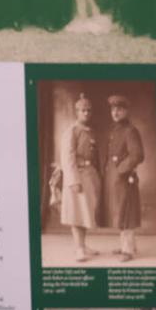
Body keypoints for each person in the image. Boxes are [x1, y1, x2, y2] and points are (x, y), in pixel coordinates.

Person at [58, 93, 101, 263]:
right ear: (76, 112)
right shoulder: (72, 131)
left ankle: (83, 244)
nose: (86, 113)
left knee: (85, 212)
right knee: (77, 213)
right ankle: (78, 249)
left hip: (89, 175)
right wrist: (73, 180)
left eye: (89, 110)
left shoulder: (89, 131)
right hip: (77, 176)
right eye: (83, 110)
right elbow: (67, 158)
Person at [103, 95, 145, 262]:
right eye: (113, 109)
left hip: (125, 177)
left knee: (126, 212)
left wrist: (121, 170)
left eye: (119, 109)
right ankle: (127, 246)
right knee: (121, 211)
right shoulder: (116, 130)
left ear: (126, 111)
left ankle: (128, 250)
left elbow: (138, 155)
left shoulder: (130, 130)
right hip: (116, 178)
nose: (115, 112)